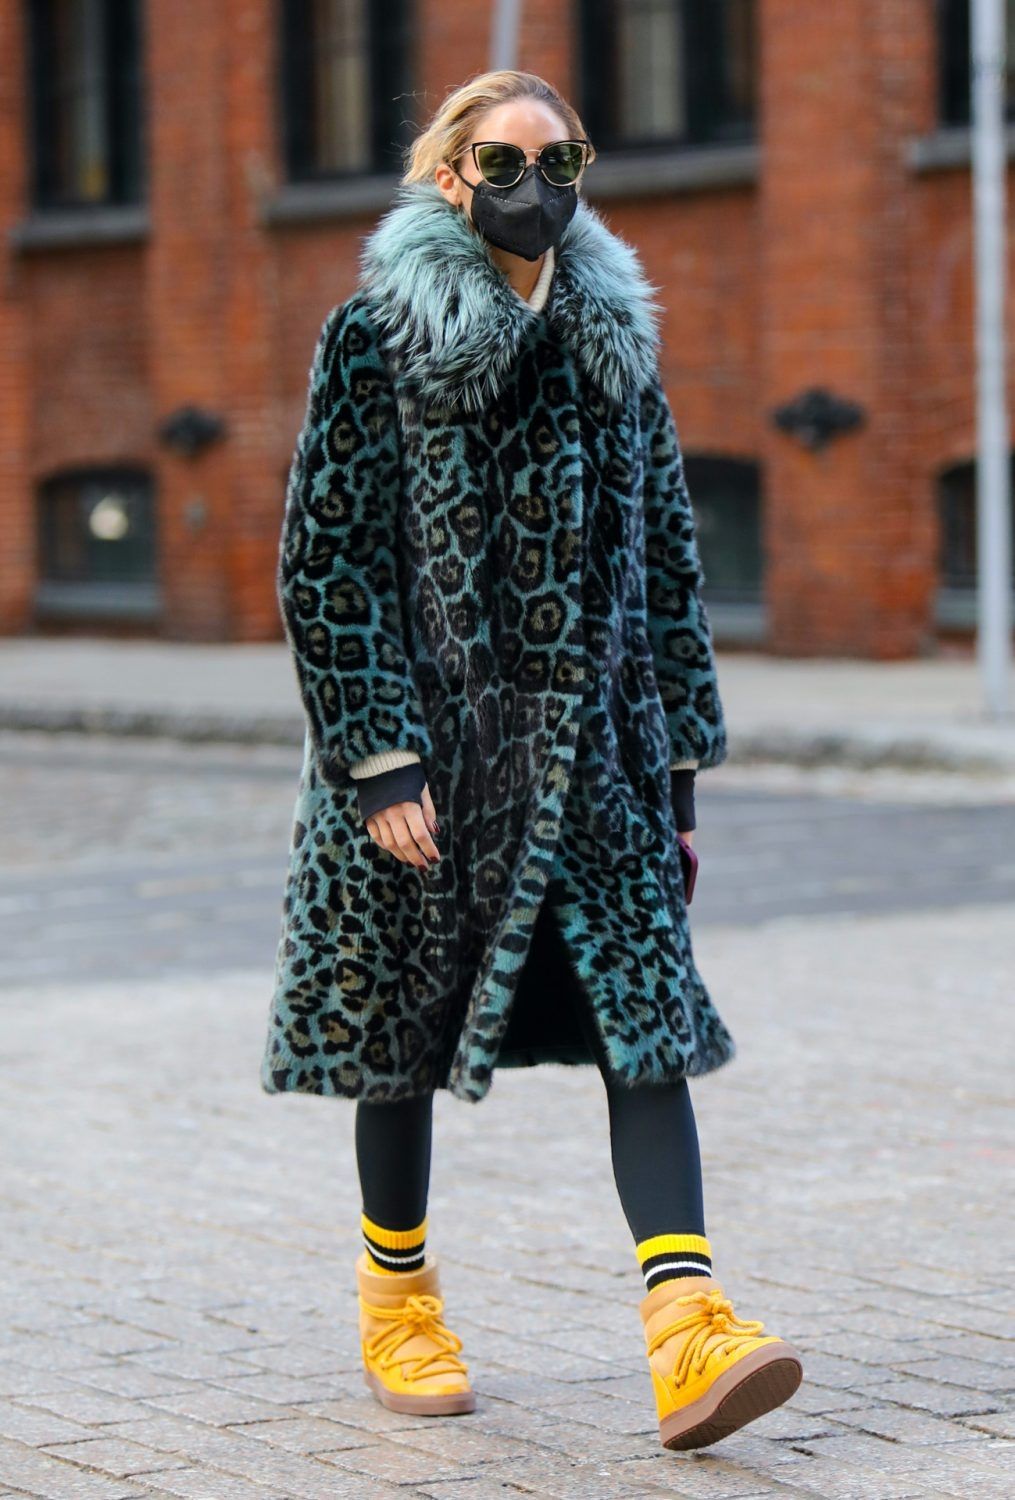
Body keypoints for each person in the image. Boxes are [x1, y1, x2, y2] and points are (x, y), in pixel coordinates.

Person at [261, 69, 804, 1452]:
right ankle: (398, 1299)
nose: (536, 187)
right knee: (400, 1033)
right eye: (504, 163)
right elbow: (328, 563)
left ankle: (689, 1328)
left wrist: (678, 776)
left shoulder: (614, 342)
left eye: (560, 161)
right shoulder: (378, 334)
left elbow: (668, 565)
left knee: (646, 1025)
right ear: (451, 175)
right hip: (432, 765)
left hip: (600, 761)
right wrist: (379, 760)